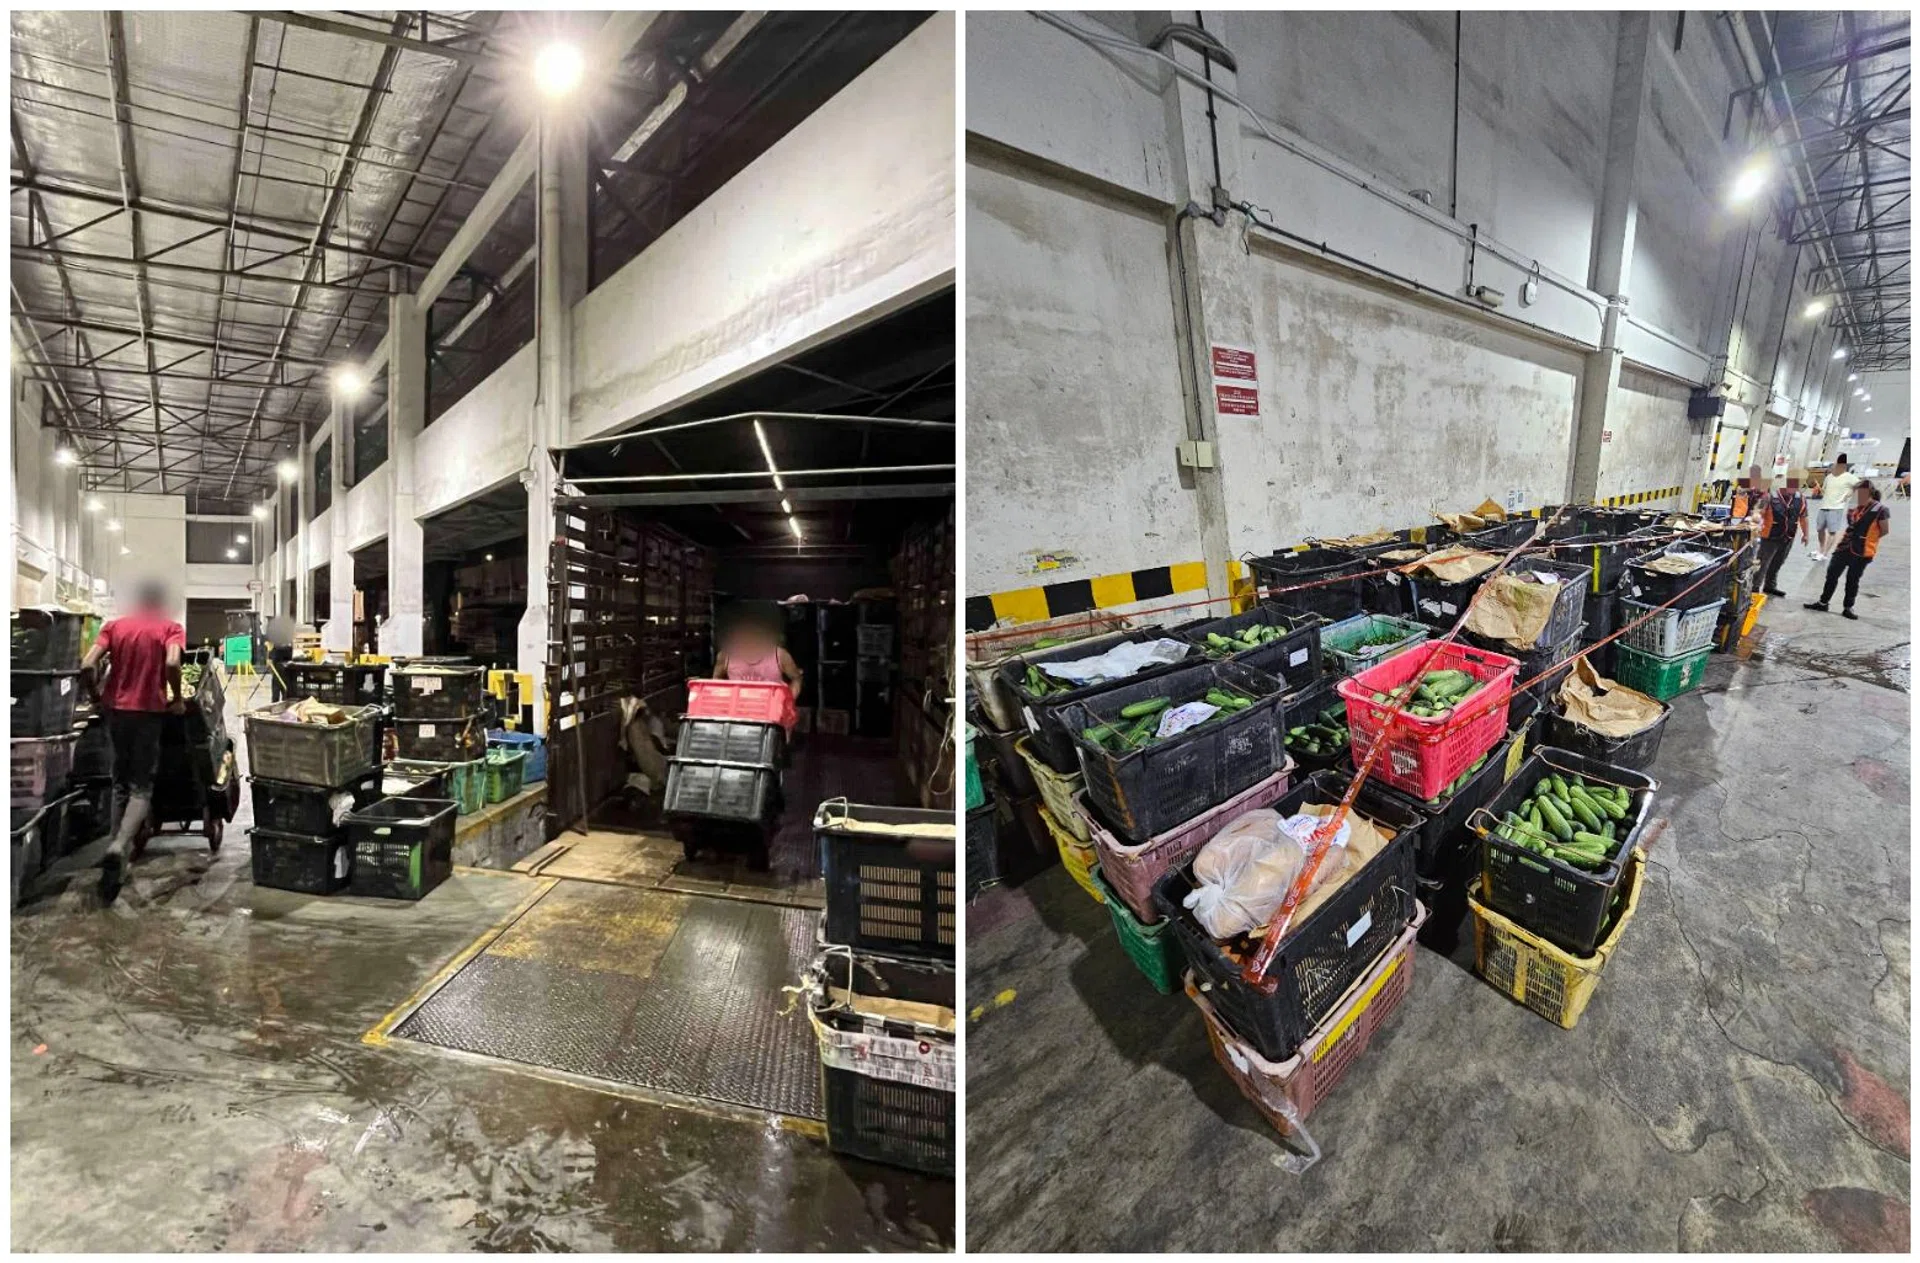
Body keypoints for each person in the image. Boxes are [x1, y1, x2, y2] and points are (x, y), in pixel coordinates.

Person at [80, 577, 187, 903]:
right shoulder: (170, 628)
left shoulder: (115, 626)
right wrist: (177, 696)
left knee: (119, 782)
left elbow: (87, 663)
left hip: (115, 712)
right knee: (142, 786)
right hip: (148, 713)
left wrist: (96, 696)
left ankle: (118, 855)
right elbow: (171, 661)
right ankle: (119, 845)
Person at [1805, 480, 1892, 620]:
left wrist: (1867, 539)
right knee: (1832, 574)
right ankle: (1823, 602)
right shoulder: (1854, 507)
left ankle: (1848, 607)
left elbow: (1884, 530)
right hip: (1844, 547)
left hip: (1862, 551)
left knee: (1853, 579)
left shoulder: (1880, 510)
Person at [713, 617, 803, 697]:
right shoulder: (726, 655)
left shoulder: (780, 655)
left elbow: (796, 678)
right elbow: (715, 680)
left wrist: (788, 701)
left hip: (771, 710)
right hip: (739, 711)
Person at [1755, 475, 1810, 597]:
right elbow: (1758, 512)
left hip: (1787, 537)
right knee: (1762, 563)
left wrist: (1806, 534)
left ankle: (1770, 586)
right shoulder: (1769, 497)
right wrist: (1756, 522)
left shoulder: (1800, 499)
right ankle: (1754, 587)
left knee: (1778, 562)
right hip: (1770, 537)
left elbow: (1803, 517)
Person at [1812, 453, 1862, 562]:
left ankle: (1824, 554)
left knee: (1832, 532)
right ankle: (1820, 549)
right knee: (1820, 529)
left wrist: (1849, 494)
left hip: (1836, 508)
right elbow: (1824, 490)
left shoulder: (1849, 477)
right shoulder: (1829, 477)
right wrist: (1819, 491)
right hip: (1824, 506)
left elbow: (1861, 485)